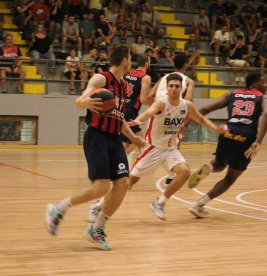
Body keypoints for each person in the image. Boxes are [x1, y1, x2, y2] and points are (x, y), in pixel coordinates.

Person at [45, 45, 145, 251]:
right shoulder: (102, 79)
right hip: (97, 136)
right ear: (125, 61)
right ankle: (58, 208)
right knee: (101, 187)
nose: (131, 64)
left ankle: (97, 229)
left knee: (123, 183)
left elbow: (120, 117)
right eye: (130, 61)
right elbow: (79, 100)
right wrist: (84, 102)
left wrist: (133, 138)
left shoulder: (124, 84)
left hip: (115, 138)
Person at [128, 73, 227, 220]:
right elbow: (148, 112)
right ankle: (100, 205)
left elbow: (201, 119)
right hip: (153, 148)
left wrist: (215, 129)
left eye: (177, 86)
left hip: (170, 149)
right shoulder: (161, 103)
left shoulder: (186, 105)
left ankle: (160, 203)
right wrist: (138, 121)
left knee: (185, 172)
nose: (174, 89)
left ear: (181, 89)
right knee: (127, 183)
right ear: (167, 88)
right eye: (171, 86)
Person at [187, 73, 267, 218]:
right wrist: (258, 141)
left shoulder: (232, 94)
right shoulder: (263, 98)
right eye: (263, 82)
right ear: (255, 83)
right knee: (230, 178)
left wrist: (185, 125)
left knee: (219, 165)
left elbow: (206, 108)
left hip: (228, 132)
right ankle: (198, 204)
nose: (266, 85)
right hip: (246, 137)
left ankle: (209, 169)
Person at [87, 53, 152, 224]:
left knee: (132, 141)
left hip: (120, 108)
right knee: (139, 140)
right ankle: (116, 172)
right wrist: (156, 98)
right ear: (147, 63)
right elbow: (144, 99)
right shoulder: (145, 77)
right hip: (124, 111)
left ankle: (117, 167)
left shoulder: (126, 77)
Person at [150, 54, 195, 185]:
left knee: (155, 146)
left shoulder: (164, 78)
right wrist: (184, 121)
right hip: (173, 116)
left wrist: (154, 109)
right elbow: (189, 102)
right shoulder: (187, 81)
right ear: (186, 64)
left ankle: (171, 174)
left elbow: (150, 95)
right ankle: (171, 174)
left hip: (157, 115)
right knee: (172, 146)